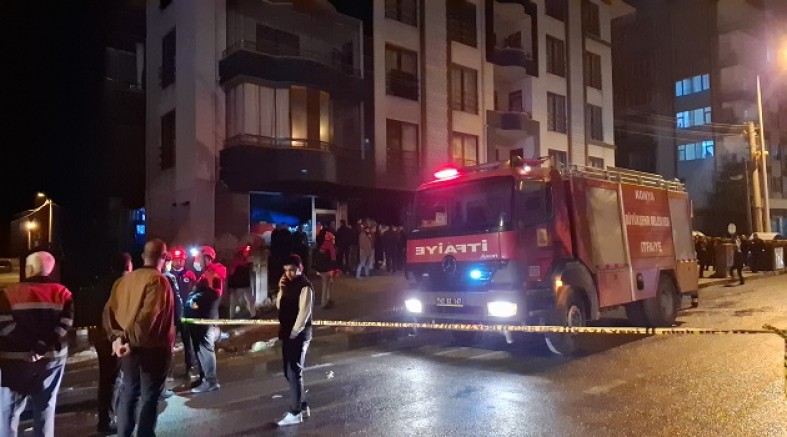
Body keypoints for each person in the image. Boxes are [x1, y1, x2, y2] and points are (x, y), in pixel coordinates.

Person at [103, 239, 175, 437]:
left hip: (127, 348)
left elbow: (108, 313)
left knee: (129, 392)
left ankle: (123, 434)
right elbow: (147, 318)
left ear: (143, 256)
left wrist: (117, 339)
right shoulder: (158, 281)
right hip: (153, 349)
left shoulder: (123, 281)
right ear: (164, 257)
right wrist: (131, 342)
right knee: (149, 397)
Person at [0, 251, 74, 437]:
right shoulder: (63, 293)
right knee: (45, 408)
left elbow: (4, 324)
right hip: (51, 359)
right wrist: (42, 345)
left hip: (15, 361)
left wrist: (29, 345)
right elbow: (65, 324)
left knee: (9, 412)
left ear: (30, 269)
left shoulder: (9, 293)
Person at [90, 252, 133, 434]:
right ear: (128, 265)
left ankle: (105, 418)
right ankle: (107, 421)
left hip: (100, 336)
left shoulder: (101, 283)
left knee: (106, 379)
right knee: (114, 380)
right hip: (114, 337)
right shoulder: (124, 284)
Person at [275, 255, 314, 427]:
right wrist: (281, 289)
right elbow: (279, 305)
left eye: (292, 270)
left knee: (293, 371)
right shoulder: (287, 284)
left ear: (300, 268)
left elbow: (304, 313)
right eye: (286, 270)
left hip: (298, 334)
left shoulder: (305, 286)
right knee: (288, 372)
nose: (288, 273)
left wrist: (294, 333)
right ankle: (302, 405)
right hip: (287, 332)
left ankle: (295, 412)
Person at [184, 263, 226, 393]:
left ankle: (211, 381)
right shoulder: (206, 288)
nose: (205, 273)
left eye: (208, 271)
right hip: (199, 325)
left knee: (206, 352)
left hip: (205, 326)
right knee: (200, 351)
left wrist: (192, 299)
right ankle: (204, 379)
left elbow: (195, 303)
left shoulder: (212, 292)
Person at [168, 247, 197, 378]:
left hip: (187, 314)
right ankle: (168, 372)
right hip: (172, 316)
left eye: (180, 260)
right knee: (170, 345)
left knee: (188, 343)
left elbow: (195, 292)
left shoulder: (190, 275)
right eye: (175, 260)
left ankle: (189, 368)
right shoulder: (168, 276)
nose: (178, 262)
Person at [314, 228, 339, 309]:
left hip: (321, 268)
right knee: (327, 285)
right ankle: (324, 302)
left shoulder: (321, 245)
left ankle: (326, 301)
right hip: (327, 269)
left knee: (325, 285)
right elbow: (333, 259)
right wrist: (334, 270)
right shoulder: (330, 246)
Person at [229, 245, 256, 319]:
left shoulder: (246, 261)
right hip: (238, 286)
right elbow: (231, 274)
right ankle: (232, 317)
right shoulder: (237, 262)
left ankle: (253, 315)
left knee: (250, 301)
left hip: (246, 285)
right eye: (246, 252)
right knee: (234, 302)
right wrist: (231, 286)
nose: (247, 253)